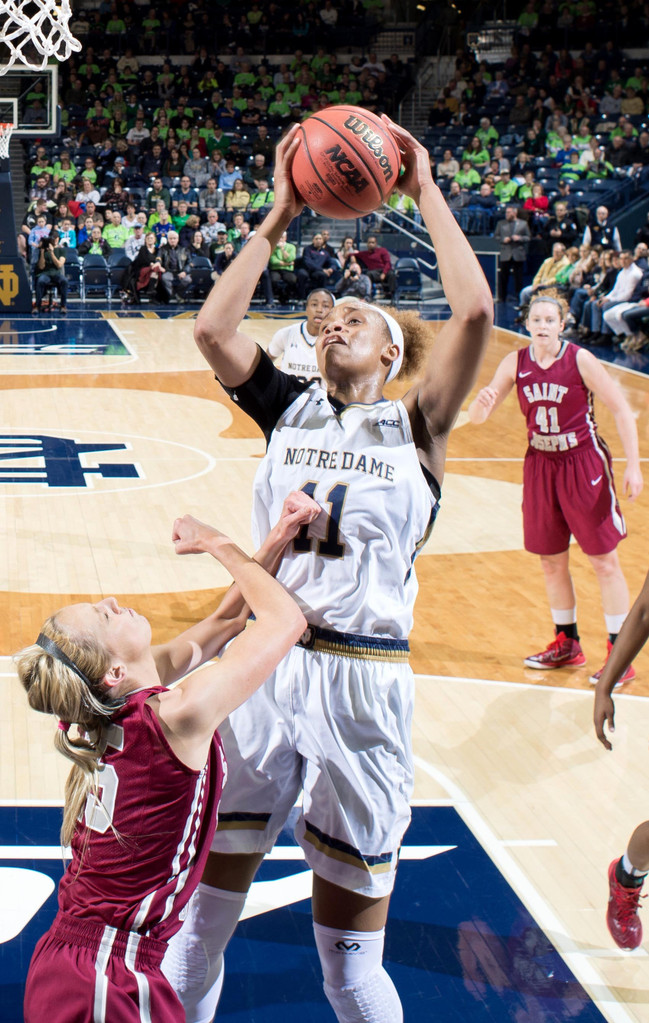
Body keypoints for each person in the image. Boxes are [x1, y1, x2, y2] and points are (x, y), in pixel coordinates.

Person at [162, 119, 493, 1023]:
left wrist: (423, 186)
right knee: (198, 929)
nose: (338, 319)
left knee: (347, 965)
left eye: (360, 318)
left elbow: (471, 315)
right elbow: (210, 325)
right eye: (331, 316)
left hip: (361, 677)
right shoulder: (287, 407)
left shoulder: (417, 425)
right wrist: (275, 214)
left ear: (390, 352)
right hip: (263, 671)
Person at [17, 498, 313, 1023]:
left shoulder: (100, 710)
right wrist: (214, 541)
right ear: (112, 670)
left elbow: (227, 619)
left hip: (72, 963)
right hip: (109, 976)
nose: (112, 600)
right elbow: (284, 620)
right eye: (104, 615)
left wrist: (277, 538)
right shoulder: (176, 715)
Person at [469, 290, 643, 682]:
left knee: (604, 561)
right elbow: (479, 418)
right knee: (551, 561)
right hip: (540, 464)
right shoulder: (515, 362)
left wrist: (634, 466)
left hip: (582, 463)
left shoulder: (580, 359)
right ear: (526, 324)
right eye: (537, 320)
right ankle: (568, 643)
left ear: (562, 325)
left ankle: (620, 653)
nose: (543, 326)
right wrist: (480, 404)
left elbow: (620, 409)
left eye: (551, 320)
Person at [267, 287, 334, 384]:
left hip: (322, 399)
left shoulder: (336, 340)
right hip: (289, 398)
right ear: (306, 308)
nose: (319, 310)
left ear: (332, 312)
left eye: (325, 306)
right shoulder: (286, 334)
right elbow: (264, 363)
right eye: (314, 304)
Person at [33, 231, 68, 313]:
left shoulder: (61, 251)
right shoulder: (44, 250)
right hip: (45, 273)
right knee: (40, 281)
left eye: (55, 239)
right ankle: (37, 306)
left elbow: (59, 265)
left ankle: (63, 305)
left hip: (56, 273)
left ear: (58, 239)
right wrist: (42, 252)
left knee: (64, 281)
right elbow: (41, 266)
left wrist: (52, 253)